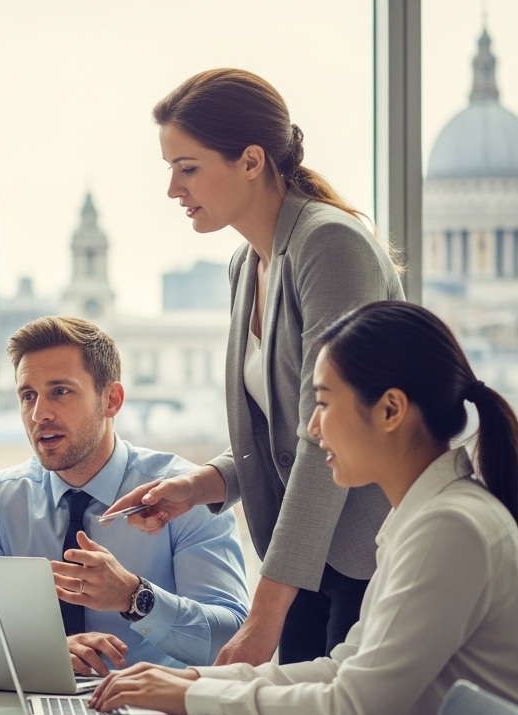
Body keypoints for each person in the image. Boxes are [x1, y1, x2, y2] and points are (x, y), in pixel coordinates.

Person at [89, 301, 518, 715]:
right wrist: (196, 679)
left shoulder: (449, 528)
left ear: (390, 410)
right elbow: (343, 668)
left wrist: (192, 696)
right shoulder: (427, 519)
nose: (312, 429)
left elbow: (354, 712)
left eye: (322, 402)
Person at [108, 69, 405, 666]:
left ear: (250, 160)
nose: (172, 189)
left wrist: (265, 614)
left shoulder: (331, 246)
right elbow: (279, 428)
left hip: (363, 553)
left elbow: (328, 435)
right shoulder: (247, 263)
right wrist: (202, 485)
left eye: (187, 167)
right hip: (308, 561)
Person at [0, 317, 249, 673]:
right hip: (27, 702)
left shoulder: (183, 495)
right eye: (27, 395)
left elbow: (232, 639)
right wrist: (42, 652)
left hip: (151, 711)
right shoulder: (0, 500)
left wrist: (134, 597)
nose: (39, 414)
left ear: (111, 400)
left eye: (60, 391)